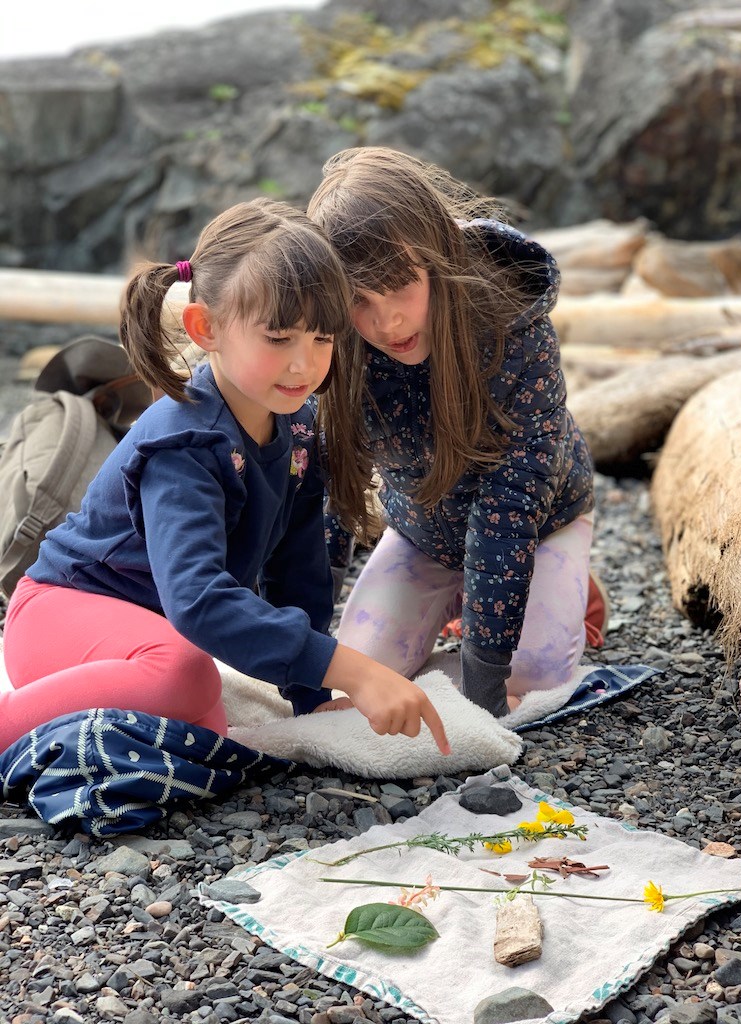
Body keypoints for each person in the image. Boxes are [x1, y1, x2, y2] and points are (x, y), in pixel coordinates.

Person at [0, 198, 450, 756]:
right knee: (186, 679)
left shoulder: (299, 430)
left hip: (150, 633)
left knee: (205, 726)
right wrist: (358, 672)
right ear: (205, 328)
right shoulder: (185, 440)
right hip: (60, 614)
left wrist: (312, 697)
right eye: (279, 338)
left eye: (322, 339)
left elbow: (299, 573)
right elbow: (196, 601)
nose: (303, 364)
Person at [308, 147, 605, 725]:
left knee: (532, 680)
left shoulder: (514, 332)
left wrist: (486, 680)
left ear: (436, 257)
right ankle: (465, 598)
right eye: (360, 302)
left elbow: (509, 508)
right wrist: (306, 642)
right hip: (424, 530)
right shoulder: (335, 345)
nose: (387, 322)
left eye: (399, 287)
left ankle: (573, 590)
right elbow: (331, 495)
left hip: (539, 524)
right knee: (359, 675)